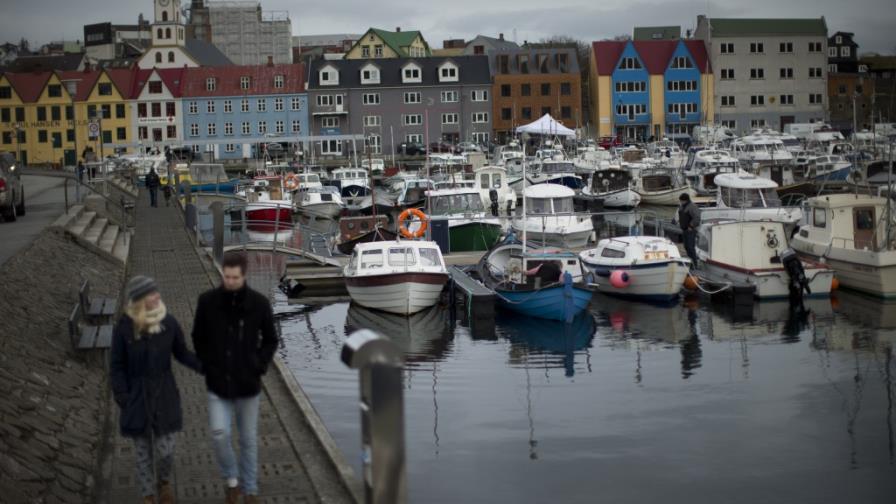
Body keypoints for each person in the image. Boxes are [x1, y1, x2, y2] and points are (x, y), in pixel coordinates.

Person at [192, 252, 279, 504]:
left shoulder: (259, 304)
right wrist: (208, 363)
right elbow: (198, 337)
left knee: (248, 439)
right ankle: (232, 480)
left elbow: (271, 340)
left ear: (244, 275)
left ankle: (250, 490)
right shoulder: (207, 302)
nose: (229, 281)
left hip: (248, 383)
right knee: (219, 433)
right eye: (226, 277)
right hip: (218, 382)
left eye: (234, 278)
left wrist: (259, 364)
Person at [110, 276, 203, 504]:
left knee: (165, 450)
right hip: (137, 396)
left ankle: (163, 481)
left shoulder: (168, 322)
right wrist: (123, 396)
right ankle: (148, 495)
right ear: (140, 300)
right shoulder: (124, 329)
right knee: (142, 452)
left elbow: (182, 353)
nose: (157, 296)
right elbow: (117, 366)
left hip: (164, 394)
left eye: (156, 292)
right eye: (151, 294)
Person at [678, 193, 701, 265]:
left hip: (691, 230)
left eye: (681, 201)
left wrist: (691, 226)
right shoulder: (682, 206)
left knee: (691, 247)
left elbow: (697, 218)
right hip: (684, 230)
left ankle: (695, 263)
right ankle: (690, 262)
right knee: (686, 247)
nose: (681, 202)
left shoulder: (692, 207)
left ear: (685, 200)